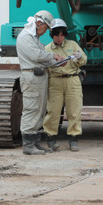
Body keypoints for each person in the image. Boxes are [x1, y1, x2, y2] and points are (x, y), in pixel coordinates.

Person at [16, 10, 65, 155]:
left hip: (40, 76)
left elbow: (43, 57)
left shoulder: (35, 38)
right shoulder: (25, 37)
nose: (46, 32)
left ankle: (36, 142)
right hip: (31, 77)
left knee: (40, 110)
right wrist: (54, 56)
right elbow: (36, 55)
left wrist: (57, 62)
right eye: (46, 28)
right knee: (31, 109)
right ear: (39, 23)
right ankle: (28, 144)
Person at [43, 18, 87, 152]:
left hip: (72, 80)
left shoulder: (72, 45)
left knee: (74, 110)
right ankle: (50, 138)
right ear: (52, 35)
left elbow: (84, 60)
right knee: (53, 111)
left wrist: (79, 57)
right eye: (57, 35)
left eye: (62, 35)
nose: (59, 38)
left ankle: (74, 138)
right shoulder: (46, 49)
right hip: (55, 81)